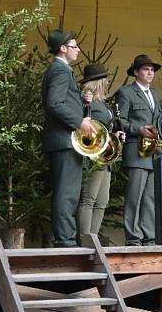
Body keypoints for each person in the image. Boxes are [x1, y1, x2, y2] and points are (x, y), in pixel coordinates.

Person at [115, 54, 162, 246]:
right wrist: (138, 130)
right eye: (146, 69)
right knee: (134, 196)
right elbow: (121, 121)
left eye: (152, 70)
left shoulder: (154, 94)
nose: (150, 72)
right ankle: (133, 237)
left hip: (153, 153)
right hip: (135, 152)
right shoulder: (126, 92)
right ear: (136, 72)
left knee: (150, 197)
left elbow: (158, 125)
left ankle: (148, 236)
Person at [42, 29, 93, 247]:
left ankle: (66, 238)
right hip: (64, 140)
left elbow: (61, 101)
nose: (78, 50)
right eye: (74, 46)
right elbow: (54, 104)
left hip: (64, 139)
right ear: (63, 48)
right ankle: (65, 240)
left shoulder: (61, 70)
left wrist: (83, 103)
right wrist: (79, 121)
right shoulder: (60, 70)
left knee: (69, 191)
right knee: (67, 192)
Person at [76, 63, 125, 239]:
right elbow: (86, 127)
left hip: (105, 158)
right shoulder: (88, 102)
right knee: (89, 199)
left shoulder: (103, 103)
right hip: (94, 158)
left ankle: (92, 239)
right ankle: (85, 240)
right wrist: (85, 104)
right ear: (98, 82)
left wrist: (116, 135)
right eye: (105, 79)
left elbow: (104, 128)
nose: (108, 82)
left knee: (102, 201)